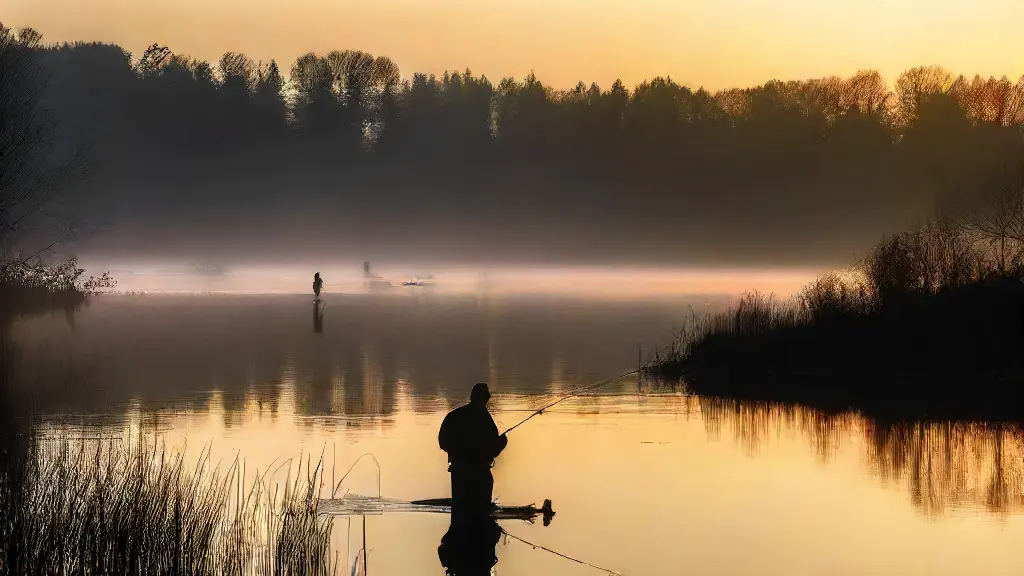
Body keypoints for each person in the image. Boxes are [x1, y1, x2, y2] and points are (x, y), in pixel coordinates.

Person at [438, 383, 507, 524]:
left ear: (471, 397)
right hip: (480, 472)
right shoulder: (486, 419)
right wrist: (502, 441)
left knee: (460, 511)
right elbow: (492, 448)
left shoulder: (454, 416)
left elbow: (443, 442)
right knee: (481, 512)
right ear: (486, 399)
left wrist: (456, 453)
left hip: (458, 471)